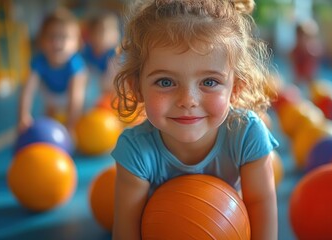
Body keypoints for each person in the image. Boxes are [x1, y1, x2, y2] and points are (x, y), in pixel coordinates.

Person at [111, 0, 279, 239]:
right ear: (136, 87)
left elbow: (261, 204)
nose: (188, 100)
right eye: (166, 82)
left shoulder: (247, 133)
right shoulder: (136, 150)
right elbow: (126, 232)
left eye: (209, 82)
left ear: (236, 89)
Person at [18, 8, 87, 134]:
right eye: (51, 37)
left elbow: (75, 99)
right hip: (51, 94)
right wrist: (23, 116)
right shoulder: (39, 61)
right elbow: (27, 91)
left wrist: (70, 127)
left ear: (76, 43)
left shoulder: (75, 64)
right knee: (49, 116)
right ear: (41, 41)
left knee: (77, 117)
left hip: (71, 93)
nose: (57, 43)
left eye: (64, 37)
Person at [82, 11, 121, 94]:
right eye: (103, 31)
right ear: (91, 35)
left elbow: (114, 83)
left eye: (114, 30)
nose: (111, 35)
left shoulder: (115, 56)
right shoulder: (85, 52)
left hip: (108, 93)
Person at [290, 19, 322, 85]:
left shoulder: (312, 50)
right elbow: (291, 59)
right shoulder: (295, 50)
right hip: (298, 80)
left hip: (310, 79)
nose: (301, 39)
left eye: (305, 37)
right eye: (299, 37)